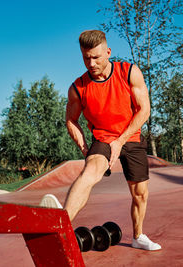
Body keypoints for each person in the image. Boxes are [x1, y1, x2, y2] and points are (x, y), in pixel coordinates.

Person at [41, 30, 161, 251]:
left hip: (131, 136)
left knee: (140, 193)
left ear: (108, 52)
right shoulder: (78, 87)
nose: (91, 63)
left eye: (96, 57)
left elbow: (144, 110)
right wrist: (86, 148)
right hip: (102, 138)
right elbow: (71, 120)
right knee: (90, 172)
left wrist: (121, 140)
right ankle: (61, 224)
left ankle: (138, 236)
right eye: (86, 58)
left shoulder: (129, 72)